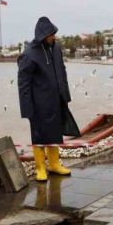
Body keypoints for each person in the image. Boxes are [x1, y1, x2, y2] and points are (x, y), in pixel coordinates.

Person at [18, 16, 74, 182]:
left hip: (56, 100)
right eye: (51, 34)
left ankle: (55, 164)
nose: (54, 37)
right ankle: (40, 168)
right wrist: (27, 108)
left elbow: (62, 71)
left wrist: (65, 95)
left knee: (55, 133)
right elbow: (23, 84)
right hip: (38, 104)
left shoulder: (55, 48)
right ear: (42, 35)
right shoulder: (29, 54)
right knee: (39, 136)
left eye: (54, 33)